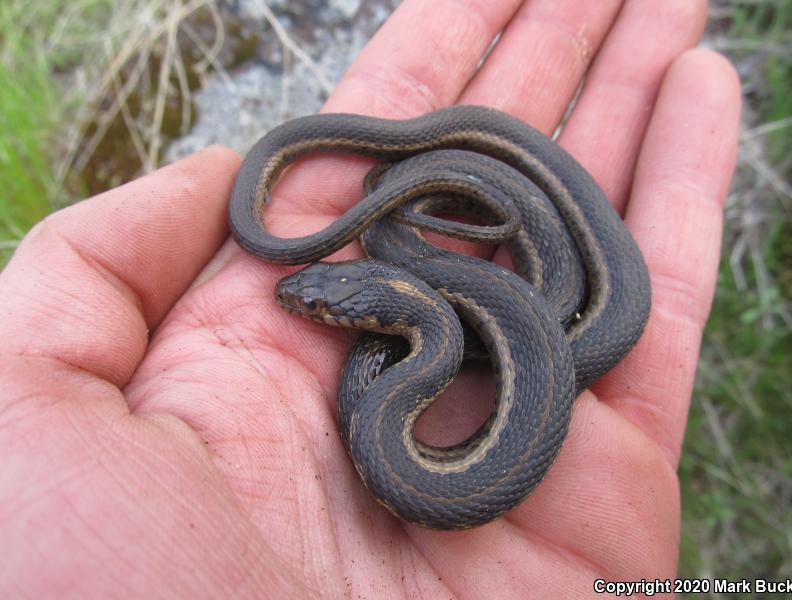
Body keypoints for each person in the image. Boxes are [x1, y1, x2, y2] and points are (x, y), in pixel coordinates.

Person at [0, 0, 739, 596]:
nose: (308, 307)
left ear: (385, 315)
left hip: (506, 295)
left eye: (323, 309)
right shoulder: (424, 333)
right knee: (435, 253)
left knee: (530, 289)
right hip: (448, 290)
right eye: (320, 305)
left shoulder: (425, 351)